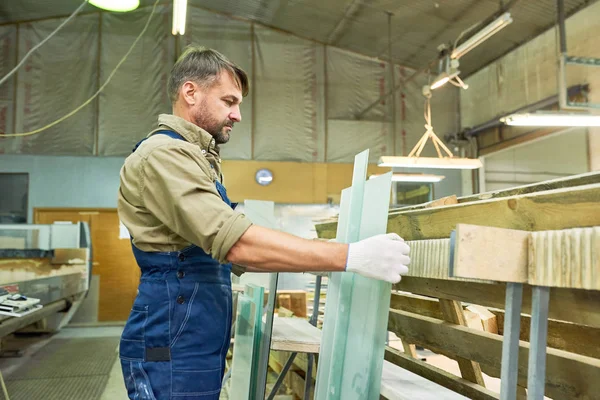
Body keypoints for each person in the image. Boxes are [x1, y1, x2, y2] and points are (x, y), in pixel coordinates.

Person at [117, 45, 411, 400]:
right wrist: (349, 257)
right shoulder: (166, 154)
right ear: (190, 92)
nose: (237, 114)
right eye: (229, 101)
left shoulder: (197, 156)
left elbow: (235, 255)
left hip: (190, 329)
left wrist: (320, 256)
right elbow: (237, 244)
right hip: (173, 333)